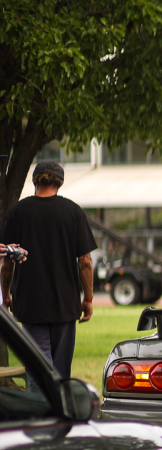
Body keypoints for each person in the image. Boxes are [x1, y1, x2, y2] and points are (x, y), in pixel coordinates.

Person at [0, 160, 95, 379]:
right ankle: (57, 409)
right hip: (66, 304)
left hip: (31, 304)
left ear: (34, 180)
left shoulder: (17, 212)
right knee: (60, 372)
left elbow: (7, 261)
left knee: (39, 369)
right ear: (60, 183)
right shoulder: (73, 212)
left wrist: (6, 296)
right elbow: (85, 261)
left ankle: (40, 409)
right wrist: (88, 299)